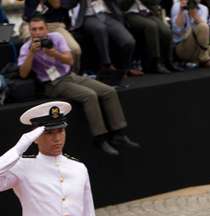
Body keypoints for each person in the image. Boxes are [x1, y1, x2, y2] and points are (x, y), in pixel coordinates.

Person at [18, 15, 140, 156]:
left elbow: (70, 61)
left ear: (46, 29)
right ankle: (100, 138)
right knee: (89, 95)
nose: (38, 32)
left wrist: (54, 53)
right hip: (52, 83)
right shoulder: (26, 48)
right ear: (30, 31)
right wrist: (31, 53)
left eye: (40, 28)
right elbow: (23, 74)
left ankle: (118, 133)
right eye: (34, 29)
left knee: (108, 91)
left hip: (70, 75)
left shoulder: (56, 37)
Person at [68, 0, 142, 76]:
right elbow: (69, 4)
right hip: (88, 15)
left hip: (107, 14)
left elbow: (120, 3)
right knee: (100, 29)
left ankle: (124, 69)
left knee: (129, 41)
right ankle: (107, 65)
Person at [120, 0, 182, 73]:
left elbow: (156, 2)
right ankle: (154, 63)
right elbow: (122, 6)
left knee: (166, 31)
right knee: (151, 26)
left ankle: (168, 62)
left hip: (148, 12)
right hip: (130, 14)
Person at [17, 0, 82, 71]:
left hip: (55, 24)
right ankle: (36, 76)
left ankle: (72, 75)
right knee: (32, 44)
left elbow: (56, 5)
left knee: (75, 50)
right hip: (31, 23)